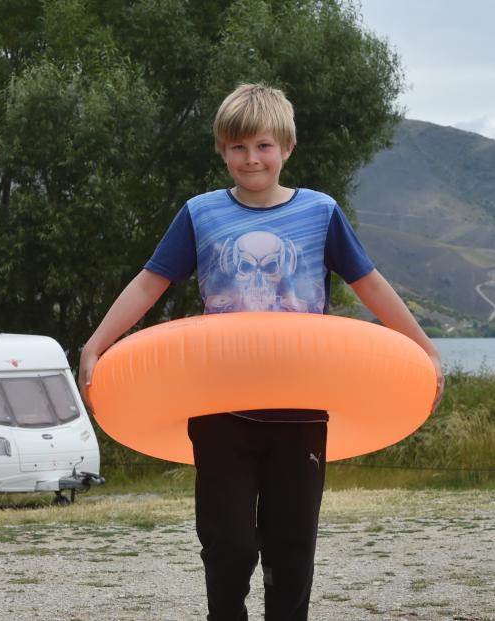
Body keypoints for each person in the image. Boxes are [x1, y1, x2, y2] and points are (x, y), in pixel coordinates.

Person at [78, 83, 444, 621]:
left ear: (287, 148)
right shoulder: (200, 214)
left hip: (299, 411)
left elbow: (370, 284)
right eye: (238, 148)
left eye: (264, 146)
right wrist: (95, 344)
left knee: (291, 552)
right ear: (223, 151)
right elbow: (149, 283)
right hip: (219, 409)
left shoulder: (320, 212)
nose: (251, 159)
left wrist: (425, 350)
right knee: (227, 545)